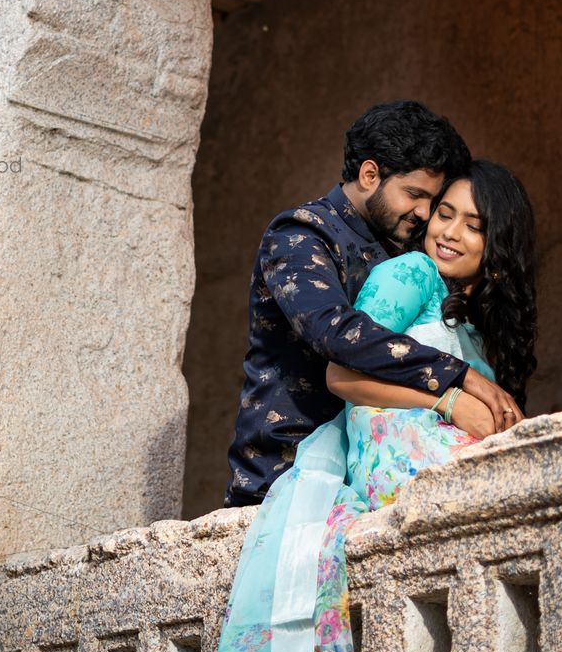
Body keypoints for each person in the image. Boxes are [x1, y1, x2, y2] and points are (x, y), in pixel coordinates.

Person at [177, 159, 538, 652]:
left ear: (499, 246)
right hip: (391, 445)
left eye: (474, 225)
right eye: (445, 213)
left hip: (433, 449)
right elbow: (343, 378)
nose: (449, 232)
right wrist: (445, 403)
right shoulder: (409, 277)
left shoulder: (478, 324)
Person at [224, 102, 523, 507]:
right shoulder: (301, 234)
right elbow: (335, 331)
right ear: (369, 174)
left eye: (430, 201)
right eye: (415, 195)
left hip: (355, 481)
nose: (424, 213)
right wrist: (458, 382)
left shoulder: (403, 254)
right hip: (283, 475)